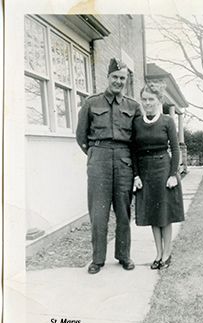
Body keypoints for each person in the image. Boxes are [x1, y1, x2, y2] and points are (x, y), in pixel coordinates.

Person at [76, 58, 142, 274]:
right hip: (99, 160)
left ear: (126, 80)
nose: (118, 81)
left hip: (124, 160)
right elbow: (81, 136)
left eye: (122, 78)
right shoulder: (91, 103)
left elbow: (137, 140)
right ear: (108, 78)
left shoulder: (133, 106)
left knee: (123, 211)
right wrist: (96, 154)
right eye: (115, 77)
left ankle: (124, 255)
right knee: (98, 212)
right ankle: (97, 259)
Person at [133, 84, 185, 270]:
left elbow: (176, 148)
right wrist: (136, 176)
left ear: (159, 101)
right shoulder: (137, 122)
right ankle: (158, 253)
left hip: (163, 169)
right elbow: (134, 151)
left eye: (151, 99)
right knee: (153, 215)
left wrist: (173, 174)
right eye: (144, 99)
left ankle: (167, 253)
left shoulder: (167, 121)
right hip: (145, 172)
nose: (147, 103)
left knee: (164, 214)